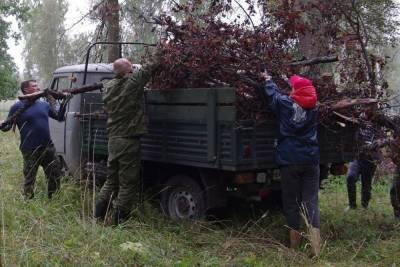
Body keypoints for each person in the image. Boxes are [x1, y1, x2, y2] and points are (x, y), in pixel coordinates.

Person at [94, 54, 161, 225]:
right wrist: (162, 46)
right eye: (131, 68)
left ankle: (98, 216)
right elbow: (151, 64)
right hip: (128, 141)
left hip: (114, 140)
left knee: (111, 180)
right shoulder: (132, 84)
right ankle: (118, 221)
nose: (134, 70)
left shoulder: (108, 87)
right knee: (127, 184)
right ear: (127, 71)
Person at [259, 73, 321, 255]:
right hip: (311, 159)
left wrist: (267, 80)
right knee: (310, 201)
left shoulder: (285, 104)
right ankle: (316, 247)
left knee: (291, 202)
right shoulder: (314, 108)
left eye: (294, 87)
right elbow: (290, 97)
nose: (291, 89)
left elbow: (274, 97)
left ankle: (294, 247)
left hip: (290, 160)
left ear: (298, 90)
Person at [0, 80, 66, 199]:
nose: (38, 87)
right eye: (34, 86)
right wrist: (2, 124)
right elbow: (7, 127)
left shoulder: (44, 104)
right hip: (30, 149)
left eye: (37, 85)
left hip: (48, 147)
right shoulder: (17, 106)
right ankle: (28, 201)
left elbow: (59, 117)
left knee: (55, 174)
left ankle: (54, 198)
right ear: (26, 90)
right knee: (30, 178)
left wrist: (64, 102)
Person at [345, 110, 386, 211]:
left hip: (370, 159)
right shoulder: (357, 120)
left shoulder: (378, 124)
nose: (367, 110)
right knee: (350, 177)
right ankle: (352, 206)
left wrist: (374, 144)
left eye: (371, 108)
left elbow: (385, 139)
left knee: (366, 185)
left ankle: (364, 207)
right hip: (356, 157)